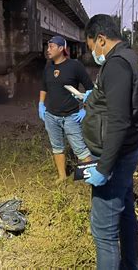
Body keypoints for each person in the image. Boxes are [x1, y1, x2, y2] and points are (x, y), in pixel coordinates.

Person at [82, 14, 138, 269]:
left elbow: (120, 121)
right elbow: (130, 106)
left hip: (116, 157)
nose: (92, 53)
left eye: (91, 47)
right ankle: (130, 265)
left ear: (100, 39)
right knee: (125, 214)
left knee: (104, 232)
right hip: (128, 150)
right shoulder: (132, 58)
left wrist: (103, 168)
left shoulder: (116, 65)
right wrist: (95, 97)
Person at [39, 36, 94, 183]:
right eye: (47, 47)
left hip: (71, 116)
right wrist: (41, 104)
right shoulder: (48, 66)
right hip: (51, 116)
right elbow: (44, 87)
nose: (48, 50)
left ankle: (91, 178)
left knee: (80, 149)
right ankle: (62, 176)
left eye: (51, 46)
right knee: (57, 147)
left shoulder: (75, 66)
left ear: (61, 48)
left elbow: (91, 89)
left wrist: (85, 109)